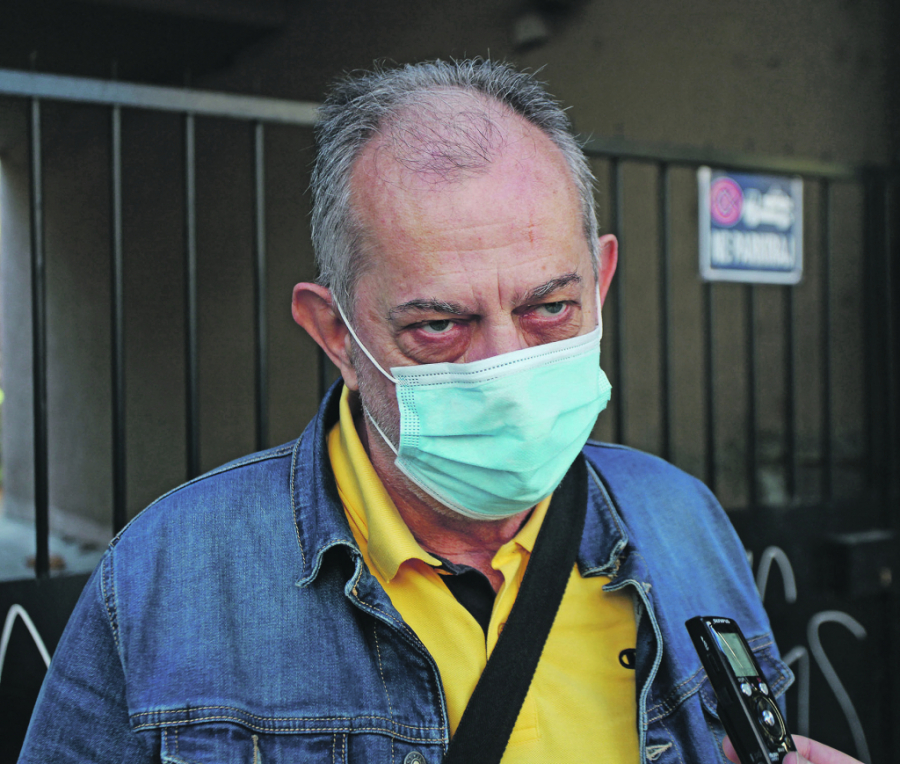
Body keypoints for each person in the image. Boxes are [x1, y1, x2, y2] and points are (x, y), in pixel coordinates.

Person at [19, 59, 862, 764]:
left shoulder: (683, 522)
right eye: (438, 325)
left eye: (550, 308)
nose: (504, 367)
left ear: (600, 282)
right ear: (336, 335)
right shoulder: (169, 577)